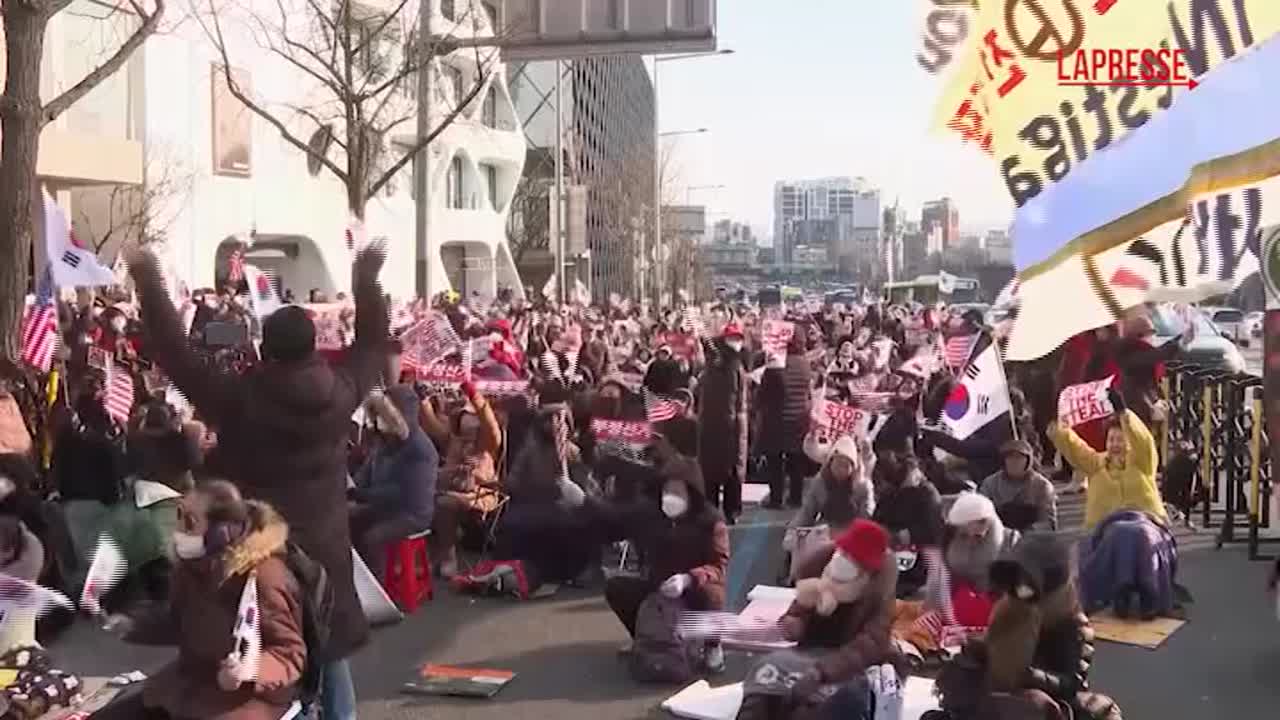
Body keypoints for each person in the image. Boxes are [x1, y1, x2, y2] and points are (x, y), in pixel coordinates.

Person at [127, 245, 387, 720]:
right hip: (325, 552)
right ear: (315, 345)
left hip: (260, 556)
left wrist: (148, 279)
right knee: (325, 654)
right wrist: (366, 278)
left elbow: (174, 353)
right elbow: (373, 341)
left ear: (265, 348)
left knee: (265, 668)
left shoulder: (237, 399)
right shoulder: (343, 391)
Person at [93, 481, 306, 720]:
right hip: (191, 683)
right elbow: (178, 622)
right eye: (179, 515)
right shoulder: (190, 569)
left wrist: (250, 670)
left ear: (221, 531)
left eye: (190, 521)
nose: (179, 529)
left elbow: (290, 654)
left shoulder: (265, 576)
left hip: (246, 701)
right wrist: (130, 625)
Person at [929, 534, 1120, 720]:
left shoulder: (1071, 624)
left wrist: (1028, 675)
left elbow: (1071, 683)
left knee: (1037, 705)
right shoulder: (1010, 609)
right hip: (996, 699)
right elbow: (991, 653)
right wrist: (976, 653)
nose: (1020, 590)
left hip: (1044, 703)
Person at [736, 520, 900, 720]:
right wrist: (794, 623)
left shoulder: (879, 598)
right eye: (843, 552)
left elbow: (868, 647)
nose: (843, 559)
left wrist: (822, 673)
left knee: (831, 703)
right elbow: (794, 614)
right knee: (767, 672)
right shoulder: (821, 574)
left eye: (852, 557)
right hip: (808, 653)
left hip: (850, 667)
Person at [598, 435, 730, 672]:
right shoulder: (651, 514)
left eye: (677, 490)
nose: (670, 496)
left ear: (692, 492)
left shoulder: (711, 522)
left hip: (694, 589)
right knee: (617, 588)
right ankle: (643, 635)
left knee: (713, 596)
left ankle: (713, 646)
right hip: (659, 584)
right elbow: (617, 519)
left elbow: (718, 566)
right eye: (667, 489)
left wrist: (688, 579)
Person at [349, 385, 437, 580]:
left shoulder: (420, 449)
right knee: (346, 522)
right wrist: (352, 486)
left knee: (372, 538)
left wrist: (361, 494)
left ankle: (377, 593)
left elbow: (402, 494)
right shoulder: (386, 441)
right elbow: (367, 471)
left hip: (412, 514)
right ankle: (356, 584)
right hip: (383, 507)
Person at [1047, 390, 1166, 531]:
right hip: (1103, 533)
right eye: (1111, 440)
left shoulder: (1142, 462)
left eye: (1121, 440)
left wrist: (1124, 414)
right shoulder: (1095, 464)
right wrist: (1057, 425)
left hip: (1144, 530)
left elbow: (1143, 441)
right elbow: (1075, 447)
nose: (1115, 444)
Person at [420, 381, 502, 578]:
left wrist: (474, 395)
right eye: (466, 417)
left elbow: (489, 421)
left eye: (474, 418)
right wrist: (422, 400)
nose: (469, 422)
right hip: (449, 489)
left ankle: (448, 556)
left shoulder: (488, 442)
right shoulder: (453, 439)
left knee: (445, 503)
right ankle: (437, 554)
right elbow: (430, 424)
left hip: (481, 494)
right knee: (424, 498)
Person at [784, 436, 875, 576]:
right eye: (837, 464)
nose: (841, 469)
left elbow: (867, 516)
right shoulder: (820, 482)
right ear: (830, 463)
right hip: (825, 529)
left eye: (846, 465)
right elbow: (808, 510)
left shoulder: (863, 486)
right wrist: (793, 531)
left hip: (851, 530)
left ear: (854, 467)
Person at [697, 323, 750, 524]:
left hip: (724, 422)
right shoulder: (727, 364)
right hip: (727, 422)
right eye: (732, 338)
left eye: (738, 338)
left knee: (724, 470)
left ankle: (722, 509)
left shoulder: (722, 362)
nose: (736, 343)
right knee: (728, 469)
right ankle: (729, 510)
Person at [757, 323, 813, 508]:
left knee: (775, 462)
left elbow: (764, 392)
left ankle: (776, 499)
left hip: (777, 419)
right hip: (799, 420)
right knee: (796, 461)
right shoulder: (805, 364)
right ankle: (796, 499)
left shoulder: (775, 362)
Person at [979, 439, 1058, 532]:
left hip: (1032, 537)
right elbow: (981, 516)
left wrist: (1026, 533)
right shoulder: (990, 484)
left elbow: (1048, 521)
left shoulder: (1042, 485)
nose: (1014, 462)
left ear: (1028, 461)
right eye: (1010, 457)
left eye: (1019, 457)